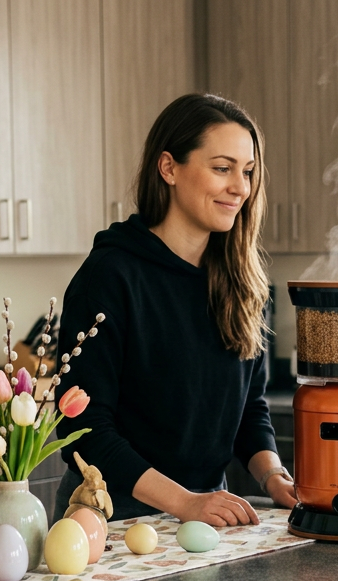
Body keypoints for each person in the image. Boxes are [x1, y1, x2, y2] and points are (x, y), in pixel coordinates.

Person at [53, 93, 296, 524]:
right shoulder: (111, 275)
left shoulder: (241, 280)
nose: (240, 187)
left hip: (204, 514)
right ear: (169, 168)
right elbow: (82, 430)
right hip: (107, 517)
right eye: (222, 168)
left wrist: (273, 476)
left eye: (248, 171)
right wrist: (184, 502)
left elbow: (248, 407)